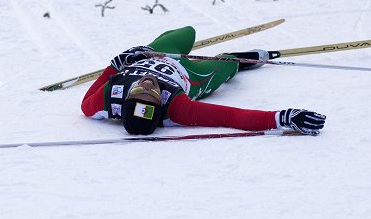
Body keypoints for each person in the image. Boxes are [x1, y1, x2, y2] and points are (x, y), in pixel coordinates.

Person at [81, 25, 326, 136]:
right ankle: (240, 60)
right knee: (224, 66)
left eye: (139, 89)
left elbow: (85, 103)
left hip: (154, 54)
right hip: (189, 74)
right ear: (162, 102)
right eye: (153, 92)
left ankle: (171, 48)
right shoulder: (178, 109)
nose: (147, 82)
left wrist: (116, 64)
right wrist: (283, 118)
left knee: (187, 32)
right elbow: (231, 116)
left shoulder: (106, 99)